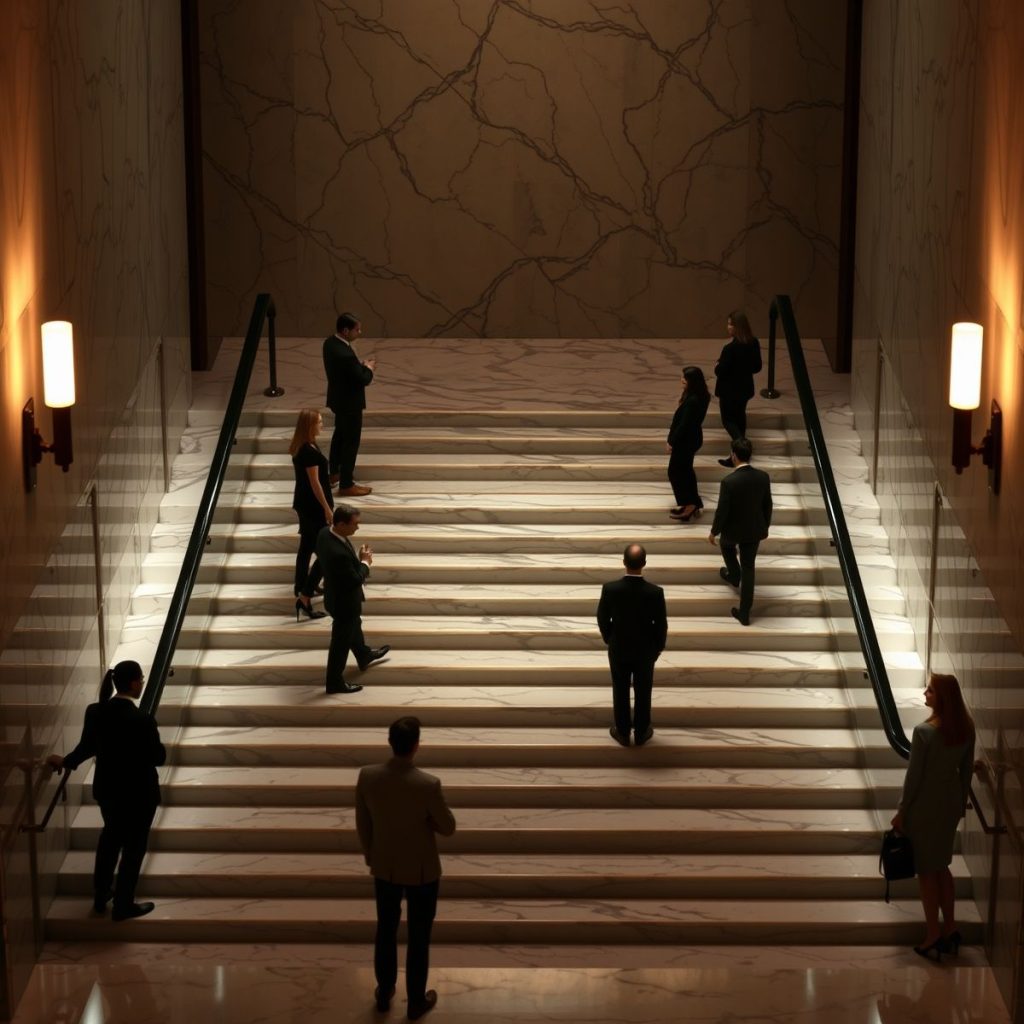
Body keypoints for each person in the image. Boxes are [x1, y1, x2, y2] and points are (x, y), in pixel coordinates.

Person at [46, 660, 165, 921]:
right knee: (133, 848)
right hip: (139, 795)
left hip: (108, 791)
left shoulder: (95, 712)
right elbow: (159, 757)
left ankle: (101, 895)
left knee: (110, 840)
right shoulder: (143, 720)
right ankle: (123, 905)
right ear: (134, 683)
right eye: (142, 679)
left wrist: (67, 762)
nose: (143, 683)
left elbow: (87, 746)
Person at [356, 716, 456, 1019]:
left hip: (385, 864)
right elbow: (448, 826)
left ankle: (385, 990)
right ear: (416, 746)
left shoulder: (368, 776)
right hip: (422, 869)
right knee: (419, 935)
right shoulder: (427, 785)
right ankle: (415, 1000)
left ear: (390, 743)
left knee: (385, 929)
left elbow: (363, 823)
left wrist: (371, 855)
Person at [891, 673, 975, 962]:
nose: (925, 693)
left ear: (943, 697)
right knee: (942, 867)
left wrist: (902, 811)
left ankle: (932, 934)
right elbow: (965, 772)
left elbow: (914, 778)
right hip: (950, 804)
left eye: (930, 690)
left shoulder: (924, 732)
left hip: (925, 806)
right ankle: (950, 928)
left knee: (927, 871)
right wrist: (960, 804)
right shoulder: (965, 727)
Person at [596, 544, 668, 747]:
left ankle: (622, 731)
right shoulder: (655, 592)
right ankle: (642, 731)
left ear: (624, 562)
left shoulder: (610, 589)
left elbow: (602, 617)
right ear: (644, 563)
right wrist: (657, 648)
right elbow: (661, 625)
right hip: (645, 651)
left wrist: (610, 638)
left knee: (620, 689)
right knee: (644, 690)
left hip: (619, 648)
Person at [315, 504, 390, 694]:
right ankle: (334, 683)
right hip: (344, 604)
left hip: (334, 598)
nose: (358, 527)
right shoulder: (337, 552)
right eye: (355, 524)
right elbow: (355, 579)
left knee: (354, 625)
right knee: (340, 645)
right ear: (340, 524)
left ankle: (364, 655)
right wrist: (365, 562)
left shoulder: (325, 533)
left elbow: (323, 565)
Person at [708, 436, 772, 626]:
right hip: (754, 529)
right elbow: (767, 505)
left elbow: (722, 511)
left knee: (726, 547)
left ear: (734, 456)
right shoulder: (763, 477)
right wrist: (765, 527)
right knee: (749, 567)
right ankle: (744, 613)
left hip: (733, 530)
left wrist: (714, 531)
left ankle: (734, 575)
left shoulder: (729, 482)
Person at [323, 311, 375, 497]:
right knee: (350, 442)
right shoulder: (345, 353)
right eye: (357, 329)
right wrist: (368, 368)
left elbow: (347, 372)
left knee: (339, 436)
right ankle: (346, 483)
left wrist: (357, 367)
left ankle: (334, 472)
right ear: (346, 331)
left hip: (338, 399)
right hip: (350, 403)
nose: (359, 332)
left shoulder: (329, 343)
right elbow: (363, 379)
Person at [288, 408, 332, 620]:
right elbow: (315, 484)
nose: (322, 425)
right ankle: (305, 595)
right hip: (313, 506)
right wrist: (327, 508)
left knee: (306, 546)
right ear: (310, 425)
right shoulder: (308, 451)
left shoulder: (306, 446)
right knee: (325, 551)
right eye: (320, 422)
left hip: (305, 504)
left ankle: (301, 586)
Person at [713, 310, 762, 465]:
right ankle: (738, 456)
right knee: (740, 417)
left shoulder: (730, 349)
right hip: (745, 389)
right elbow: (757, 367)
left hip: (729, 390)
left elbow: (720, 371)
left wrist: (719, 364)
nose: (728, 327)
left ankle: (742, 450)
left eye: (730, 324)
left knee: (728, 420)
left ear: (737, 327)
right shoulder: (754, 343)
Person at [666, 365, 711, 522]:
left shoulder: (692, 400)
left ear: (692, 381)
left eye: (684, 378)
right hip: (692, 438)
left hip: (685, 441)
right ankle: (693, 503)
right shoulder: (701, 395)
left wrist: (671, 441)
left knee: (675, 472)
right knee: (685, 471)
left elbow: (684, 425)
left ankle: (689, 505)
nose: (681, 380)